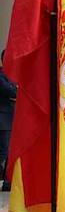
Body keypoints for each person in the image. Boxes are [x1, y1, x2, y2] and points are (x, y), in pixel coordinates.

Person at [0, 50, 17, 192]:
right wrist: (15, 90)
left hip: (12, 118)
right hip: (3, 119)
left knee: (10, 150)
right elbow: (11, 91)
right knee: (4, 151)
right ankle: (6, 180)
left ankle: (9, 181)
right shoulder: (1, 75)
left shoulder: (15, 75)